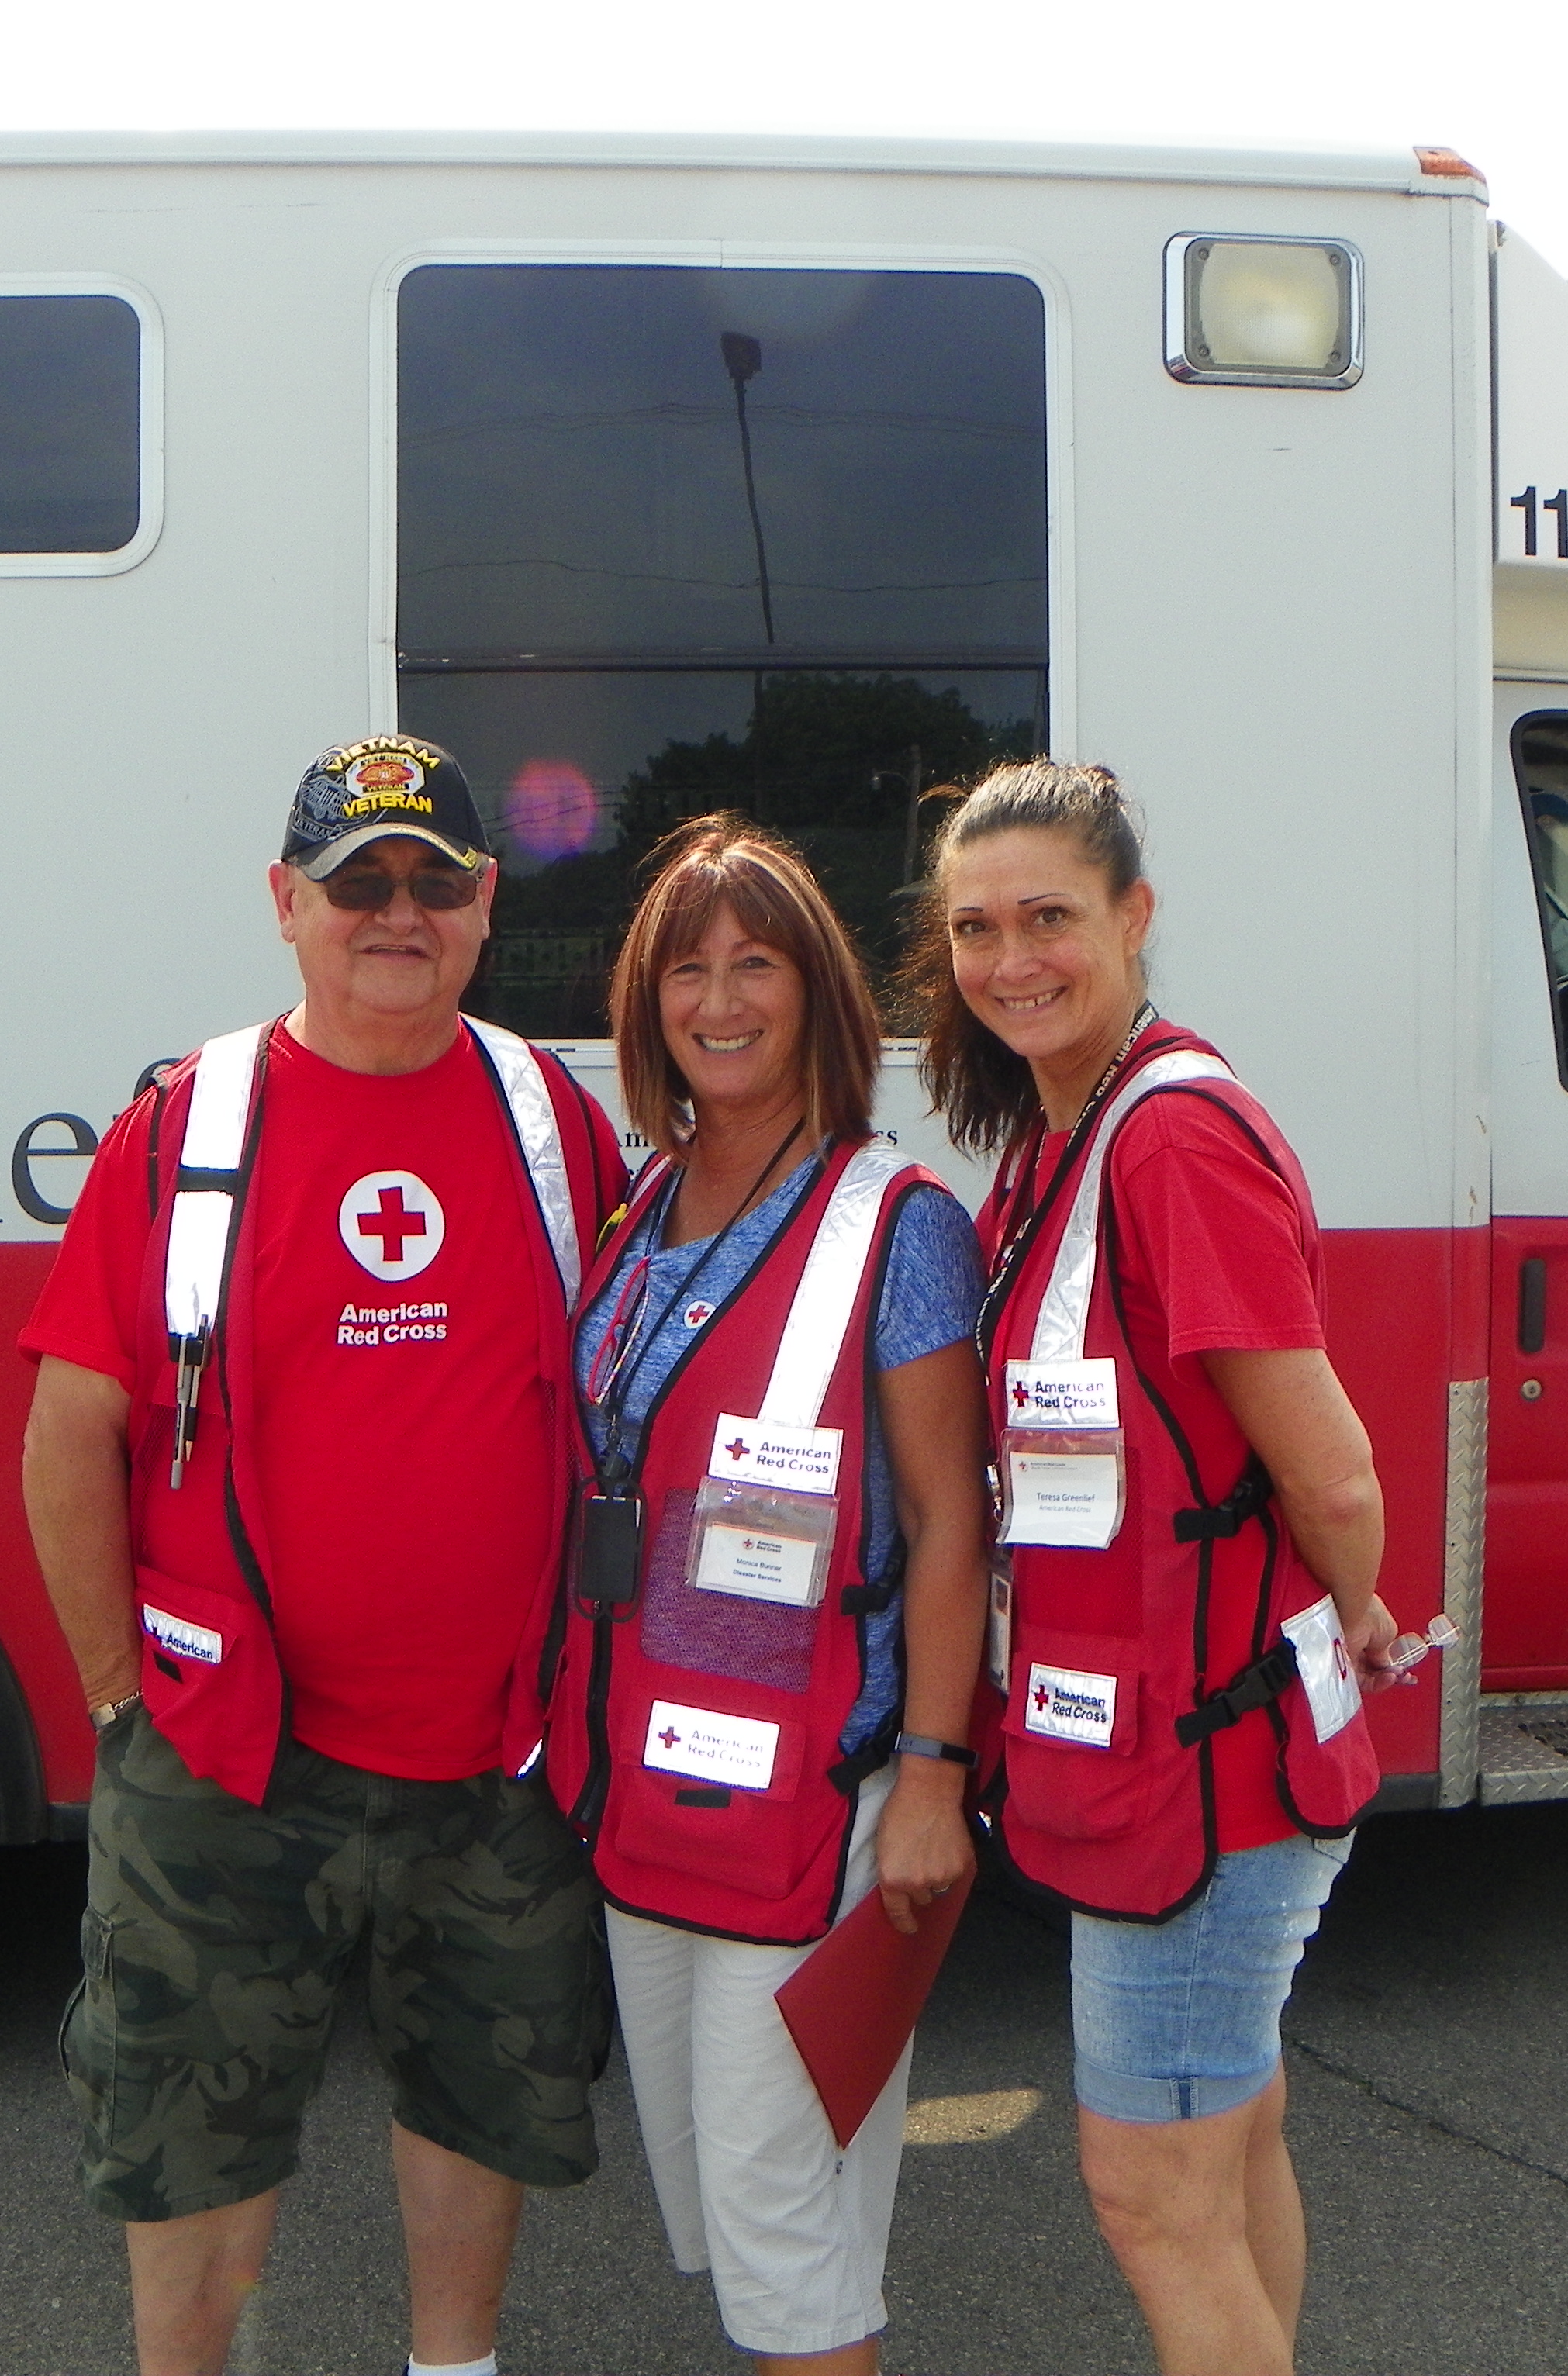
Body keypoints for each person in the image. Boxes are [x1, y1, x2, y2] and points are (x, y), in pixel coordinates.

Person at [18, 732, 628, 2376]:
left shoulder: (545, 1119)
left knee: (478, 2106)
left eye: (434, 880)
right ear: (285, 903)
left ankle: (453, 2369)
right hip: (221, 1762)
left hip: (496, 1756)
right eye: (358, 881)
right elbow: (68, 1433)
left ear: (486, 906)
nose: (397, 912)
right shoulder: (180, 1130)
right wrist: (114, 1700)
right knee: (185, 2140)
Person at [915, 760, 1406, 2376]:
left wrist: (1358, 1613)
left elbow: (1324, 1462)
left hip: (1206, 1767)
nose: (1010, 960)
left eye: (1048, 916)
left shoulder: (1164, 1142)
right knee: (1227, 2139)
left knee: (1149, 2191)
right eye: (976, 928)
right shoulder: (1060, 1136)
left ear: (1133, 918)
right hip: (1153, 1750)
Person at [544, 815, 992, 2376]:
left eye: (755, 966)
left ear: (816, 993)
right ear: (644, 1002)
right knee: (715, 2199)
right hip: (648, 1785)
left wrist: (932, 1777)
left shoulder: (896, 1224)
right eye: (687, 971)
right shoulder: (636, 1208)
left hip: (817, 1795)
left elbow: (950, 1523)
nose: (719, 1001)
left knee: (775, 2203)